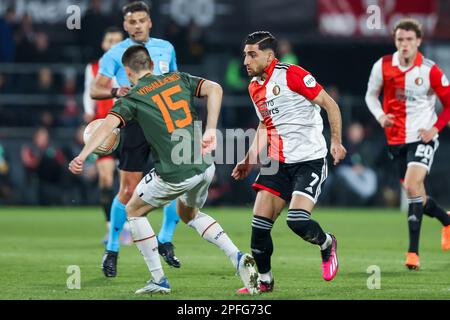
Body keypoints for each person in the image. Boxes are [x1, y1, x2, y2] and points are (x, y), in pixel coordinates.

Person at [69, 45, 259, 295]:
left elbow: (106, 127)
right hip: (204, 165)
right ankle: (236, 256)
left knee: (133, 211)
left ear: (127, 71)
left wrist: (83, 155)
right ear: (150, 63)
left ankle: (158, 279)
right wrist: (211, 129)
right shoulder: (176, 77)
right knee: (189, 215)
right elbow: (216, 88)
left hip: (174, 173)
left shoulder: (133, 97)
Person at [232, 31, 347, 294]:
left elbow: (330, 105)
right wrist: (249, 159)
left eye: (252, 55)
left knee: (296, 220)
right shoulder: (253, 87)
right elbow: (265, 124)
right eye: (245, 55)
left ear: (269, 56)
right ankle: (265, 281)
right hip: (278, 161)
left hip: (310, 161)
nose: (246, 61)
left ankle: (327, 243)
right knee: (259, 228)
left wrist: (336, 141)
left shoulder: (292, 74)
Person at [90, 1, 181, 276]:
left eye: (142, 20)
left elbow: (176, 81)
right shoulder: (115, 53)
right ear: (125, 25)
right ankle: (113, 248)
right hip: (134, 125)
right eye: (132, 21)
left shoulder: (166, 47)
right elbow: (96, 89)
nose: (138, 25)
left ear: (150, 22)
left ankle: (165, 239)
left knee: (177, 182)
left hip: (167, 125)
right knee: (128, 190)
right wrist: (117, 90)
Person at [365, 18, 450, 270]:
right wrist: (381, 116)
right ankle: (446, 221)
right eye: (400, 39)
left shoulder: (429, 69)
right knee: (417, 196)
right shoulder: (382, 66)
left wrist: (435, 128)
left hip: (423, 136)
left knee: (412, 186)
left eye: (409, 40)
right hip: (395, 139)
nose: (404, 44)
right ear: (395, 41)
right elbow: (370, 95)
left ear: (418, 41)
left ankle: (413, 253)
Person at [84, 26, 125, 245]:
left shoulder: (129, 66)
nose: (113, 45)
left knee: (127, 182)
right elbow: (87, 97)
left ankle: (127, 225)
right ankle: (111, 227)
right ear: (103, 44)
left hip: (127, 128)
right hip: (104, 130)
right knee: (106, 179)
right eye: (110, 41)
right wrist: (89, 119)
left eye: (118, 41)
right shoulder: (93, 68)